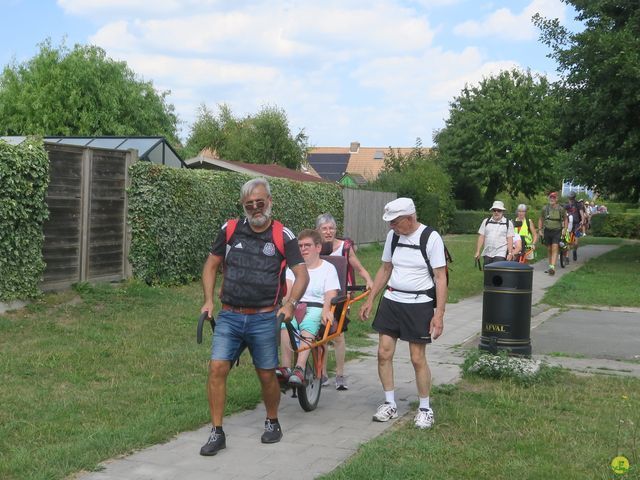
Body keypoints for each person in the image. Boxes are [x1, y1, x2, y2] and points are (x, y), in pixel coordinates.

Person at [199, 177, 309, 456]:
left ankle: (272, 422)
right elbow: (211, 266)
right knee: (216, 368)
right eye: (250, 205)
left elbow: (302, 275)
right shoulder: (230, 230)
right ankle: (217, 432)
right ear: (243, 206)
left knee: (266, 375)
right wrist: (209, 300)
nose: (256, 208)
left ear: (269, 202)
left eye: (260, 203)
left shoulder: (284, 236)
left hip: (264, 317)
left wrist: (290, 304)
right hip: (230, 316)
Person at [359, 197, 447, 430]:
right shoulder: (393, 237)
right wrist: (371, 299)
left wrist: (439, 314)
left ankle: (425, 408)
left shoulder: (431, 238)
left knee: (417, 358)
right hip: (392, 300)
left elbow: (440, 277)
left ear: (410, 218)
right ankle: (390, 403)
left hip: (419, 304)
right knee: (383, 353)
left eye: (395, 222)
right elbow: (386, 268)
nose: (391, 227)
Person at [316, 213, 374, 390]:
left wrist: (369, 280)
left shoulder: (345, 248)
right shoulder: (315, 248)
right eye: (324, 228)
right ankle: (322, 374)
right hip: (320, 296)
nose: (328, 232)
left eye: (331, 228)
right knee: (320, 336)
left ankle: (340, 375)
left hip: (341, 297)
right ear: (318, 231)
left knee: (337, 335)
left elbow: (359, 268)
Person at [279, 229, 340, 386]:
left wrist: (327, 310)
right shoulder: (294, 269)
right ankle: (285, 367)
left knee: (310, 321)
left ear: (318, 248)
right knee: (285, 323)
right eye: (300, 246)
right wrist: (284, 306)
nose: (303, 249)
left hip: (316, 306)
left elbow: (330, 294)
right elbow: (287, 291)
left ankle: (300, 367)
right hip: (295, 305)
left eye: (307, 245)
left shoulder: (328, 268)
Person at [474, 200, 515, 267]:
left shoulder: (508, 223)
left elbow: (510, 239)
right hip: (488, 251)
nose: (496, 212)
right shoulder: (486, 221)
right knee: (487, 272)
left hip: (501, 252)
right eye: (494, 210)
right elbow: (481, 236)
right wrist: (478, 251)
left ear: (502, 212)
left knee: (497, 270)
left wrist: (510, 253)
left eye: (499, 210)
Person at [538, 191, 568, 276]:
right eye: (550, 197)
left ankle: (552, 267)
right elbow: (541, 219)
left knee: (555, 248)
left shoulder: (561, 209)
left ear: (556, 199)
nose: (552, 199)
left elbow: (565, 219)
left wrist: (565, 229)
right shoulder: (545, 208)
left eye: (553, 198)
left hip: (557, 231)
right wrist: (540, 230)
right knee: (549, 249)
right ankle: (550, 265)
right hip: (547, 231)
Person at [564, 192, 583, 261]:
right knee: (568, 241)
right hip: (568, 224)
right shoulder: (566, 205)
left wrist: (582, 221)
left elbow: (581, 213)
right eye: (569, 198)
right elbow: (563, 213)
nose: (570, 199)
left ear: (574, 198)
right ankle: (567, 257)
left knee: (576, 242)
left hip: (577, 224)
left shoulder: (578, 204)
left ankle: (575, 250)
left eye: (572, 198)